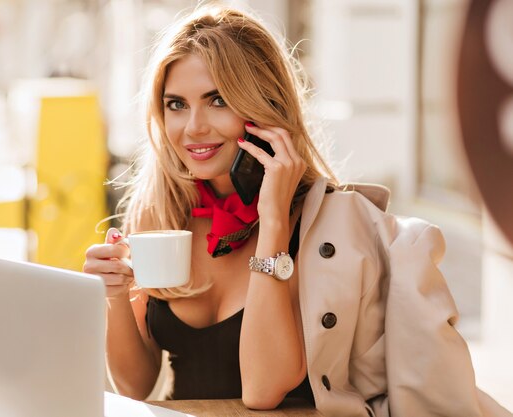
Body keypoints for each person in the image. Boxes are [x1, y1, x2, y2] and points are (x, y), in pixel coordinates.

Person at [83, 4, 512, 416]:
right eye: (176, 104)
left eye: (217, 100)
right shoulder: (160, 215)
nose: (193, 126)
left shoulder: (326, 227)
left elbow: (263, 389)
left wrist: (271, 221)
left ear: (263, 107)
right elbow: (135, 385)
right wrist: (116, 296)